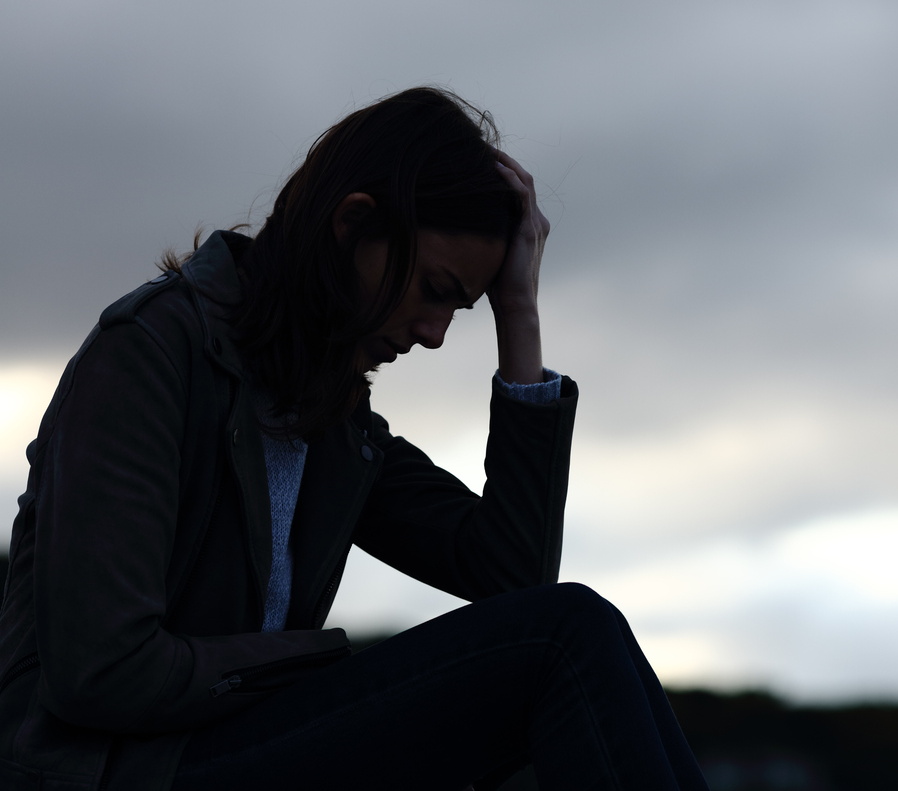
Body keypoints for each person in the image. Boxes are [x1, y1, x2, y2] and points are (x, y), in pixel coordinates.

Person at [0, 87, 709, 791]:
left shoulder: (331, 418)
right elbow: (102, 673)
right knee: (566, 636)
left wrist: (517, 311)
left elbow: (510, 575)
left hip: (232, 752)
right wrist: (315, 665)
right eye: (434, 289)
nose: (434, 334)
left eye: (459, 309)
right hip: (110, 772)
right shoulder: (149, 353)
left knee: (576, 634)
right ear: (352, 225)